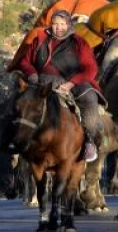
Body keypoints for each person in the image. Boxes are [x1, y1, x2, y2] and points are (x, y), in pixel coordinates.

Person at [14, 9, 104, 162]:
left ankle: (89, 140)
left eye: (62, 24)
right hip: (40, 81)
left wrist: (71, 83)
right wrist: (32, 74)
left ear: (69, 25)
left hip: (72, 82)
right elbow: (24, 61)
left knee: (89, 100)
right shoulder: (40, 39)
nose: (59, 27)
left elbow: (91, 68)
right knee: (19, 101)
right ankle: (10, 138)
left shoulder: (79, 43)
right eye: (55, 24)